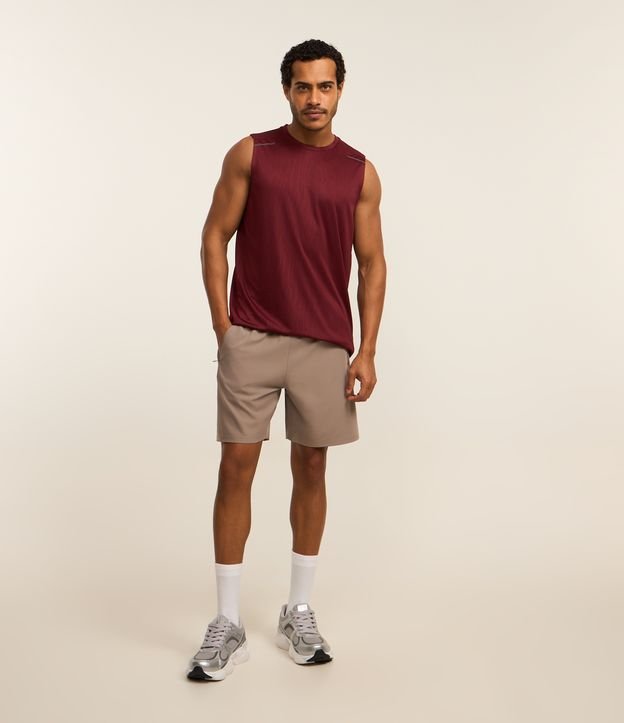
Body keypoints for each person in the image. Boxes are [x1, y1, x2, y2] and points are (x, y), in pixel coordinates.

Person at [186, 38, 386, 681]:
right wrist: (224, 326)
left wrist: (366, 349)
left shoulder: (359, 171)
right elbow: (215, 235)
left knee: (312, 469)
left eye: (325, 86)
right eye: (303, 86)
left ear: (340, 90)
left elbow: (372, 262)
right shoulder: (252, 154)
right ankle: (227, 622)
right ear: (287, 91)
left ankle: (298, 609)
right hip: (252, 336)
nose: (314, 98)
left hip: (324, 344)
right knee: (236, 468)